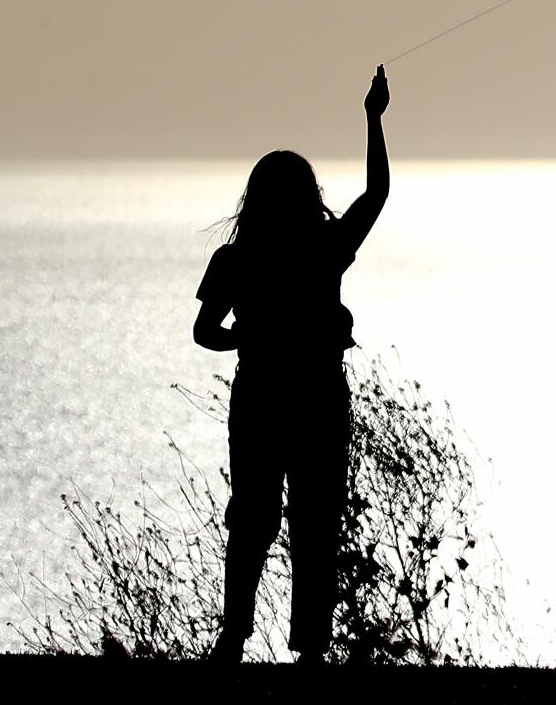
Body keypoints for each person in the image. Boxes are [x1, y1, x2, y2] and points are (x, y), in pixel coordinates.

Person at [195, 66, 391, 664]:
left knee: (252, 518)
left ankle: (234, 638)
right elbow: (376, 194)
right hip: (319, 398)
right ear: (309, 196)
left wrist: (248, 338)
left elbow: (205, 332)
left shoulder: (235, 259)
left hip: (258, 396)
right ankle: (310, 650)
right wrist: (373, 119)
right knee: (316, 525)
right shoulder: (324, 248)